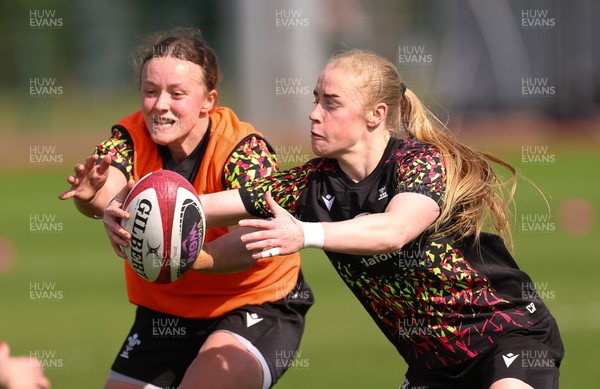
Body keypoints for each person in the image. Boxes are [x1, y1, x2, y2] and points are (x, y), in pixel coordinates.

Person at [106, 49, 564, 388]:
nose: (313, 114)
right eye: (314, 100)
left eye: (331, 103)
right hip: (434, 365)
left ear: (375, 115)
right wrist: (137, 210)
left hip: (508, 335)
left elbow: (393, 231)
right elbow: (212, 205)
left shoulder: (419, 162)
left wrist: (303, 233)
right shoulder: (311, 183)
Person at [59, 27, 313, 389]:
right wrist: (95, 200)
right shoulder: (129, 137)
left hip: (255, 302)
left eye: (177, 94)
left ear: (208, 100)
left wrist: (189, 255)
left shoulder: (242, 148)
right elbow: (110, 186)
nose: (160, 105)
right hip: (166, 312)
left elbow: (261, 234)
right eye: (150, 92)